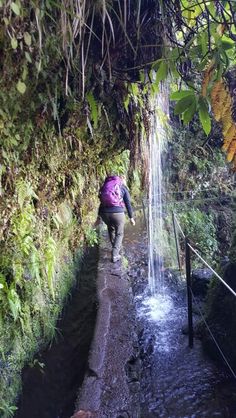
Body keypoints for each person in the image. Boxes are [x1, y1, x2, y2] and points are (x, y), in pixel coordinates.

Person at [97, 175, 135, 262]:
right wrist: (131, 217)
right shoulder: (123, 187)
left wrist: (98, 217)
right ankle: (115, 254)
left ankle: (115, 247)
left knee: (111, 229)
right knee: (119, 233)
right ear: (122, 180)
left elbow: (101, 203)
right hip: (118, 213)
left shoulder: (105, 187)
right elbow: (128, 204)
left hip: (104, 213)